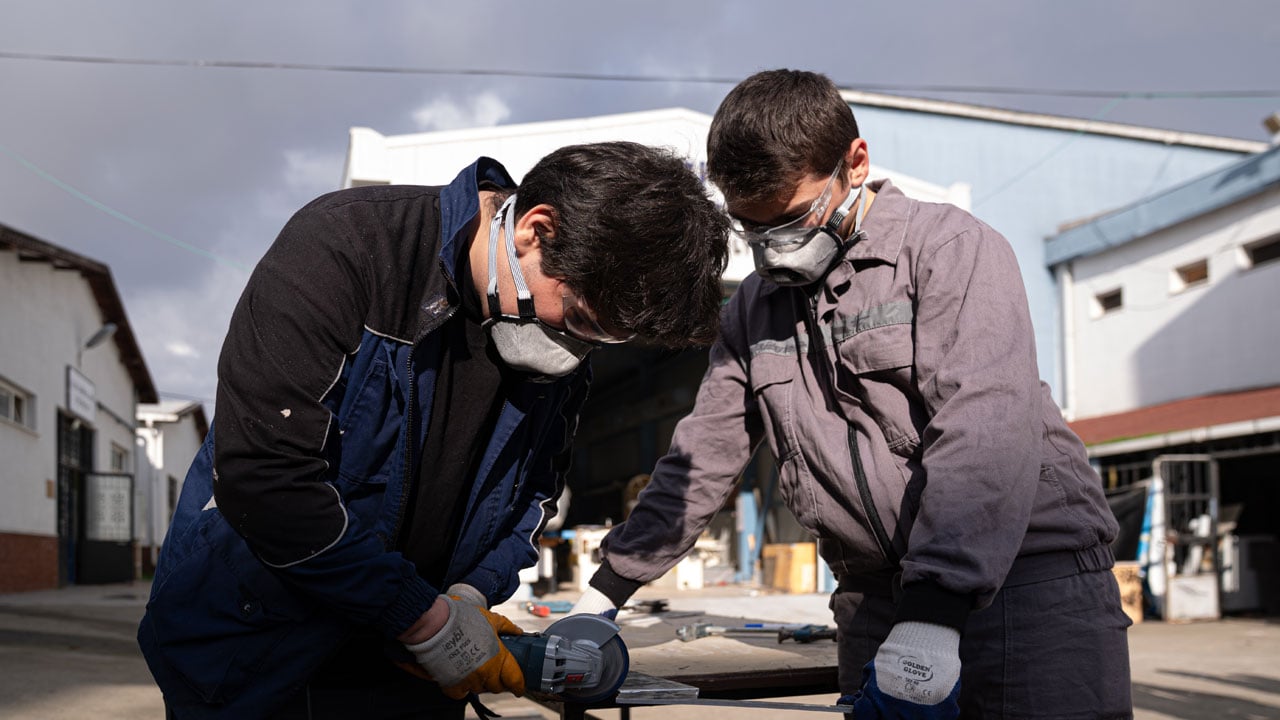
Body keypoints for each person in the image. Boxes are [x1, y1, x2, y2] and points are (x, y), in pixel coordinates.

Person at [573, 70, 1133, 719]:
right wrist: (603, 596)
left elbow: (983, 430)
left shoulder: (948, 250)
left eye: (791, 219)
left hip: (1028, 589)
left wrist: (934, 614)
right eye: (751, 228)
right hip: (874, 597)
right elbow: (703, 455)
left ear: (855, 163)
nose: (774, 250)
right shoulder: (754, 309)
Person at [138, 141, 729, 719]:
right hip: (255, 645)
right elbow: (266, 478)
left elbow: (532, 498)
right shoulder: (350, 245)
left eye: (602, 338)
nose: (576, 346)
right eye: (578, 318)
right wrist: (425, 620)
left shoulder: (559, 349)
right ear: (536, 229)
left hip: (409, 667)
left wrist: (471, 594)